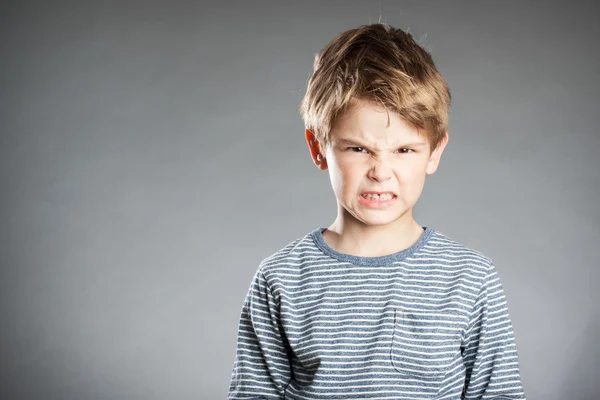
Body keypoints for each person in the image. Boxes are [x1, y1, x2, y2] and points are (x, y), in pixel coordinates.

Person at [228, 23, 526, 399]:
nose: (381, 172)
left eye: (404, 150)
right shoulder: (281, 278)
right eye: (358, 149)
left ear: (434, 152)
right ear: (318, 148)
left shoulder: (470, 278)